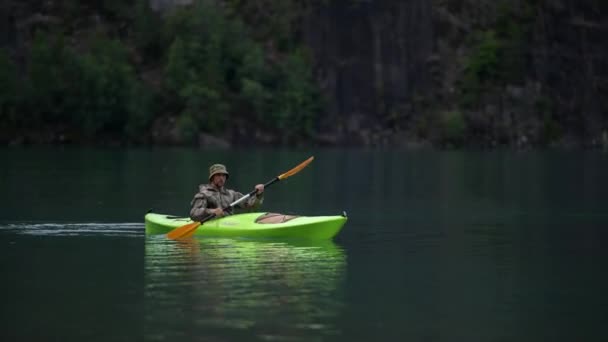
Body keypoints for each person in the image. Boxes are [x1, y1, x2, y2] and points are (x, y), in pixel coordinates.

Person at [189, 163, 264, 221]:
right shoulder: (203, 194)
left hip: (229, 223)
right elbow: (194, 214)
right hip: (210, 222)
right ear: (212, 178)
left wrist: (258, 195)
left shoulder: (231, 194)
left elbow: (251, 207)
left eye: (224, 175)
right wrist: (211, 211)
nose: (221, 178)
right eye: (218, 175)